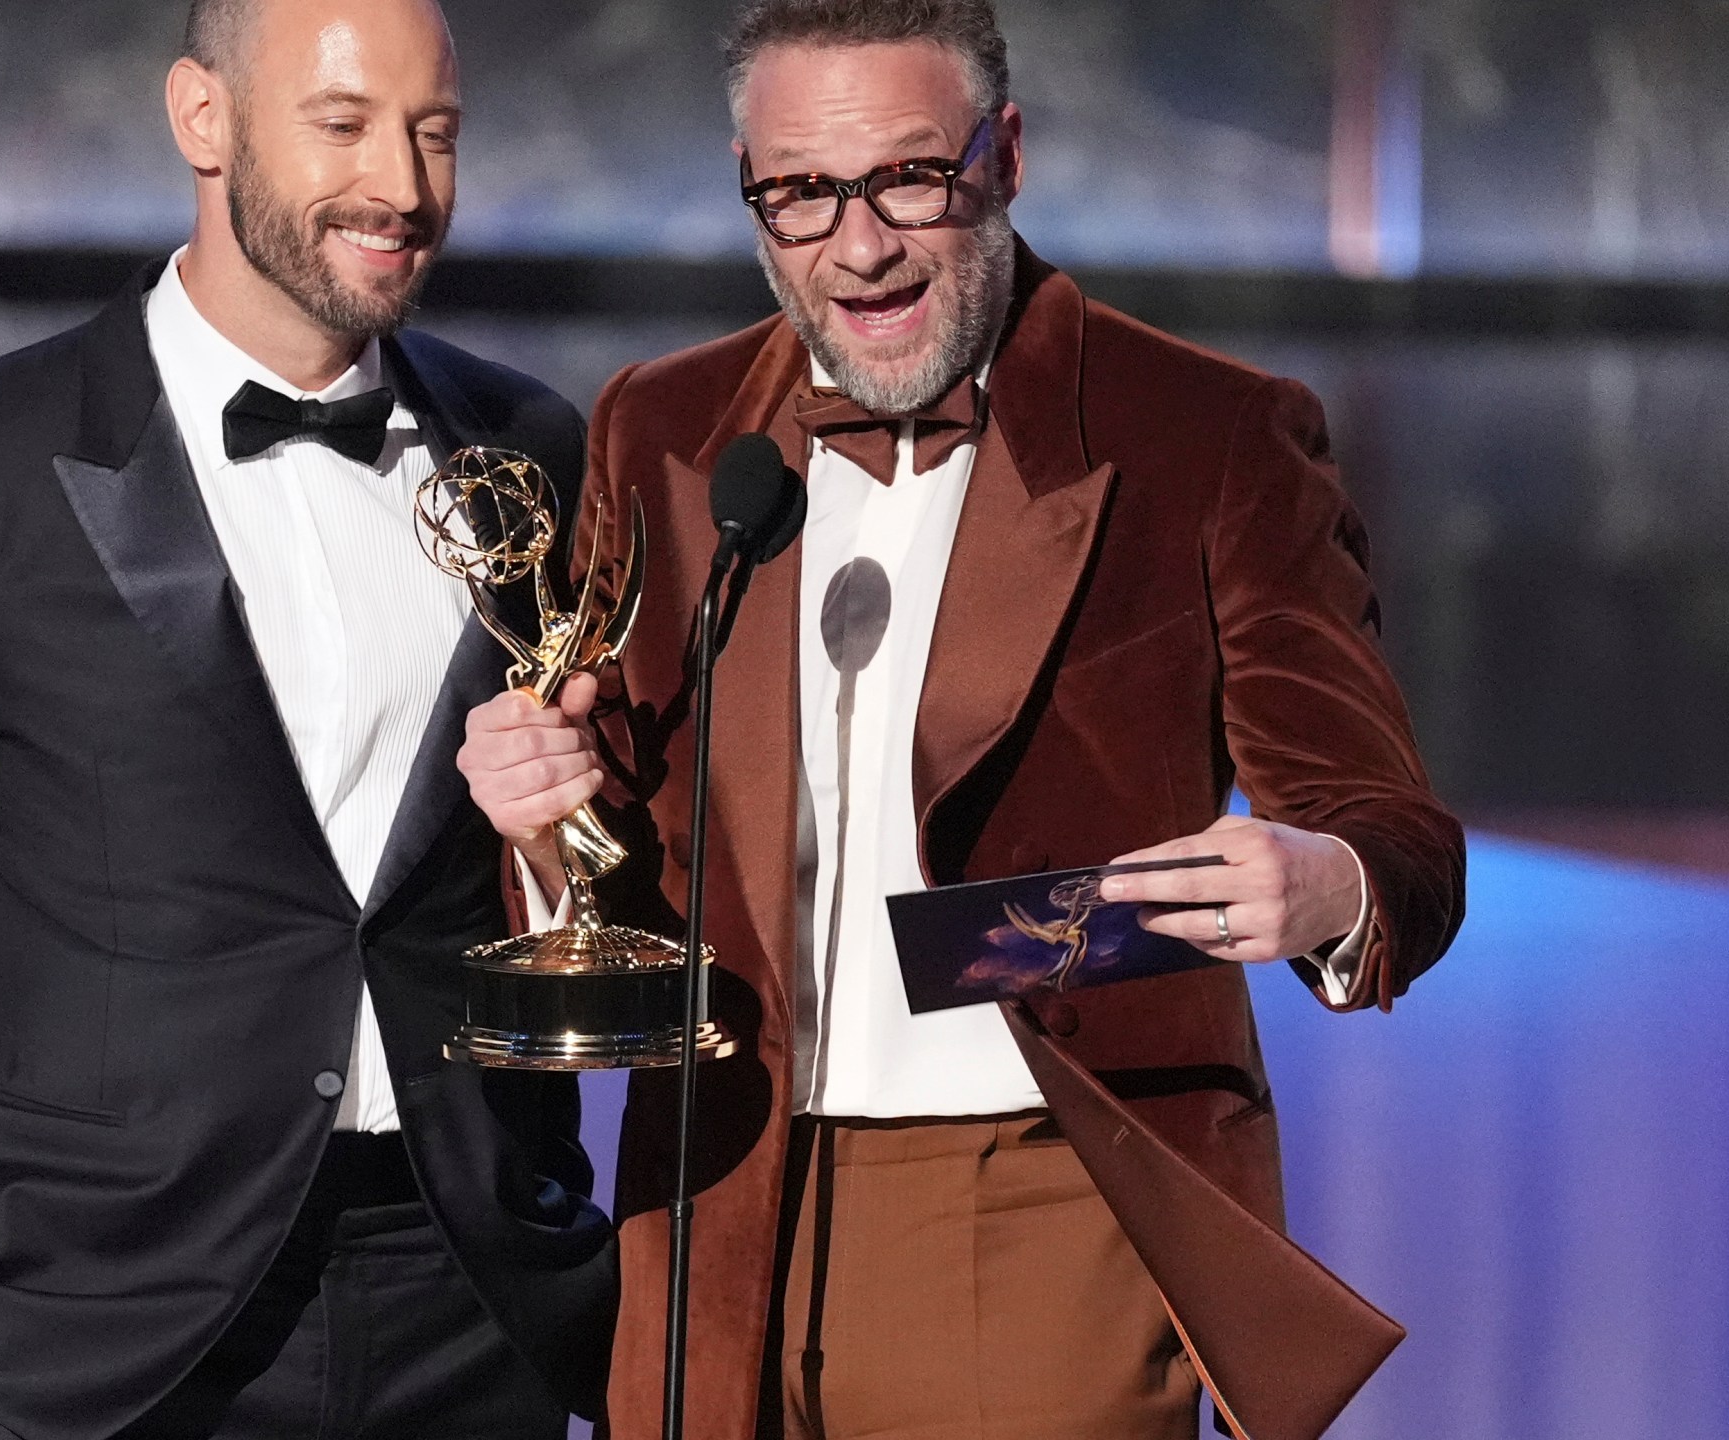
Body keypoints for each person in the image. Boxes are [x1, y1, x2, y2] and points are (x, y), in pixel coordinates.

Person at [454, 2, 1466, 1437]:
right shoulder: (664, 432)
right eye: (802, 193)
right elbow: (620, 826)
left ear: (1004, 157)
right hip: (714, 1203)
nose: (857, 247)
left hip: (1036, 1208)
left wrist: (1331, 886)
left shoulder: (1203, 435)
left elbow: (1393, 832)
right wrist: (542, 812)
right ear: (748, 181)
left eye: (908, 179)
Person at [0, 1, 613, 1435]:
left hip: (469, 1301)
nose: (403, 186)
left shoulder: (528, 450)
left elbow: (582, 860)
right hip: (98, 1323)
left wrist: (559, 842)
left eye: (436, 132)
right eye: (342, 125)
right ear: (201, 118)